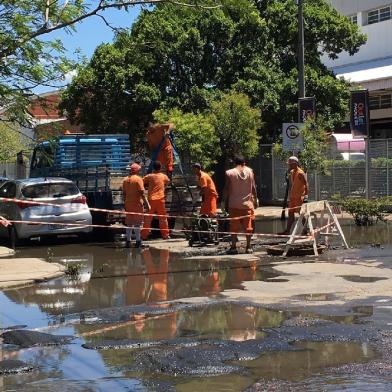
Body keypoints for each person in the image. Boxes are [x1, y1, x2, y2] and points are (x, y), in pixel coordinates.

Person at [223, 154, 258, 254]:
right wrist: (256, 199)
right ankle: (248, 247)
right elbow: (253, 187)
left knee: (234, 226)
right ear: (244, 163)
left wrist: (223, 201)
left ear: (234, 163)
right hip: (247, 204)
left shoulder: (229, 173)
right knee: (248, 227)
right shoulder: (250, 171)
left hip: (234, 204)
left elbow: (226, 188)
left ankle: (234, 247)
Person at [122, 163, 150, 248]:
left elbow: (124, 194)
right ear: (137, 170)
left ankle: (128, 241)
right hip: (137, 204)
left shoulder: (125, 180)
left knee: (129, 223)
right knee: (138, 224)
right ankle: (138, 241)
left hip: (128, 204)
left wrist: (125, 203)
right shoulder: (138, 179)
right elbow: (142, 193)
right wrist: (147, 204)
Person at [142, 160, 171, 240]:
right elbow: (168, 181)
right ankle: (165, 235)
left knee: (148, 219)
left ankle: (144, 235)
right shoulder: (163, 176)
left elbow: (142, 181)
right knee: (163, 218)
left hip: (151, 200)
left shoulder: (150, 176)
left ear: (153, 168)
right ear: (160, 168)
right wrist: (164, 187)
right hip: (161, 200)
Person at [280, 156, 309, 235]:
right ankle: (287, 231)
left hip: (299, 197)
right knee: (290, 214)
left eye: (290, 164)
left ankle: (306, 230)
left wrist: (306, 196)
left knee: (301, 214)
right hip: (292, 197)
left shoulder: (301, 173)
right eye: (288, 164)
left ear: (295, 164)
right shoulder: (292, 172)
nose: (289, 165)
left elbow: (306, 184)